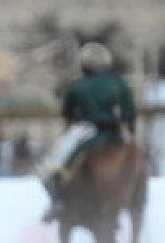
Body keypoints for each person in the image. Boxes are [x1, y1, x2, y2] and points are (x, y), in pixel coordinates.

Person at [36, 41, 138, 222]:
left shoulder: (77, 86)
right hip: (115, 132)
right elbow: (129, 114)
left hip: (86, 131)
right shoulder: (119, 84)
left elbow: (68, 116)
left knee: (50, 170)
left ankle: (57, 203)